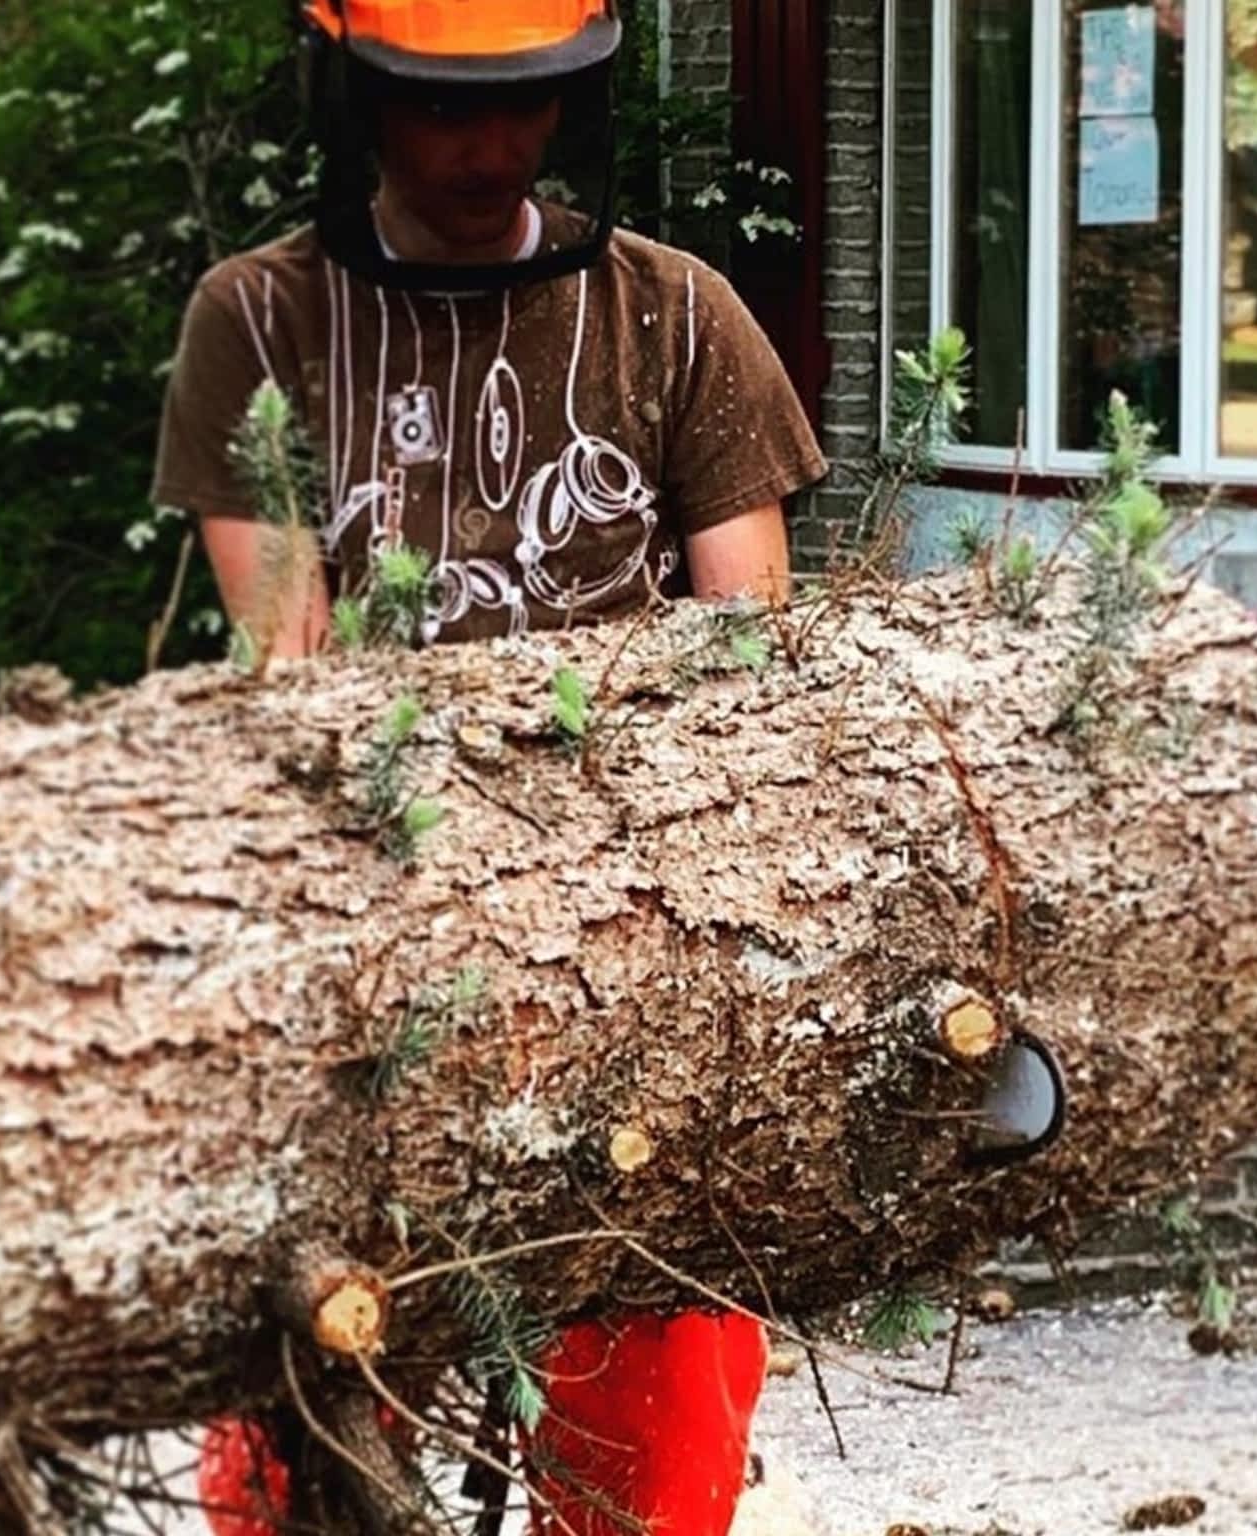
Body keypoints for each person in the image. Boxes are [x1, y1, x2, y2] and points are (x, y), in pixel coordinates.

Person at [148, 2, 828, 1533]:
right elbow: (293, 682)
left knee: (658, 1431)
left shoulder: (675, 317)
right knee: (293, 1436)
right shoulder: (265, 321)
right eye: (444, 108)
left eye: (521, 105)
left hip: (636, 955)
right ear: (362, 100)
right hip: (368, 947)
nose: (488, 145)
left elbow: (752, 685)